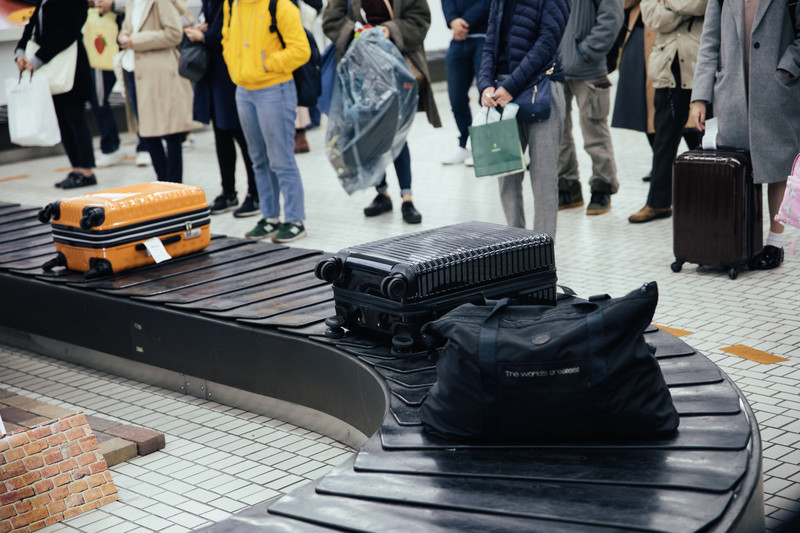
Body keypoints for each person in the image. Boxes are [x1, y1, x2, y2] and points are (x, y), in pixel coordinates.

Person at [690, 0, 800, 269]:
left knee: (776, 166)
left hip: (775, 91)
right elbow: (709, 41)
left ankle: (775, 243)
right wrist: (700, 97)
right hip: (732, 93)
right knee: (737, 169)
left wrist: (788, 67)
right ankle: (739, 241)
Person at [323, 0, 442, 225]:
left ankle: (407, 197)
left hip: (398, 69)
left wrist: (389, 30)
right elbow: (331, 21)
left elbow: (420, 19)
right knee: (368, 134)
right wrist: (357, 32)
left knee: (397, 133)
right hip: (360, 72)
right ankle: (382, 192)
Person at [477, 0, 569, 240]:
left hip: (541, 89)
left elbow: (547, 43)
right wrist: (485, 83)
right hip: (502, 93)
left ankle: (542, 252)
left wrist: (511, 86)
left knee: (543, 177)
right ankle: (516, 245)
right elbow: (490, 42)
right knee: (506, 176)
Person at [222, 0, 311, 243]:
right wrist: (237, 66)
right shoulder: (232, 4)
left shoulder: (279, 5)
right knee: (258, 159)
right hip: (243, 90)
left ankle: (295, 220)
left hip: (274, 88)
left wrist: (265, 64)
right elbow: (226, 39)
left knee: (281, 159)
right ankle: (270, 217)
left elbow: (301, 50)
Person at [628, 0, 706, 223]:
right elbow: (652, 17)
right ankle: (658, 203)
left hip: (701, 67)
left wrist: (669, 3)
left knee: (709, 139)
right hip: (668, 68)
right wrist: (684, 7)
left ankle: (712, 199)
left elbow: (702, 5)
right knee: (664, 141)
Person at [184, 0, 260, 217]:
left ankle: (256, 193)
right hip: (214, 72)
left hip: (231, 72)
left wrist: (205, 37)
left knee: (241, 134)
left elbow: (235, 32)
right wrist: (204, 31)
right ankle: (228, 192)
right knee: (222, 133)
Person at [16, 0, 97, 189]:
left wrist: (38, 59)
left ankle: (86, 171)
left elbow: (68, 32)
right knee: (62, 120)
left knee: (75, 118)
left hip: (70, 67)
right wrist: (20, 51)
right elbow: (31, 26)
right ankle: (76, 169)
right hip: (49, 69)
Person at [556, 0, 623, 216]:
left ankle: (602, 187)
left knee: (594, 132)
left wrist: (586, 50)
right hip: (554, 67)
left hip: (589, 68)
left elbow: (611, 16)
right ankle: (567, 186)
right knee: (558, 132)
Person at [118, 0, 197, 183]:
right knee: (146, 131)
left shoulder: (160, 2)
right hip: (134, 71)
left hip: (160, 74)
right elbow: (128, 27)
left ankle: (174, 185)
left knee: (170, 132)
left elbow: (174, 34)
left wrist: (135, 40)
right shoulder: (132, 3)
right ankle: (163, 181)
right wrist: (123, 34)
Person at [89, 0, 153, 169]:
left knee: (137, 98)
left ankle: (146, 146)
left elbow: (142, 4)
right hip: (99, 42)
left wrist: (113, 4)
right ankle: (110, 147)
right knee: (97, 98)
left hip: (129, 44)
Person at [439, 0, 490, 166]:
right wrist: (453, 20)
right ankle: (466, 144)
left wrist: (464, 22)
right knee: (456, 98)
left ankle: (484, 147)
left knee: (486, 96)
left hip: (484, 36)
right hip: (459, 40)